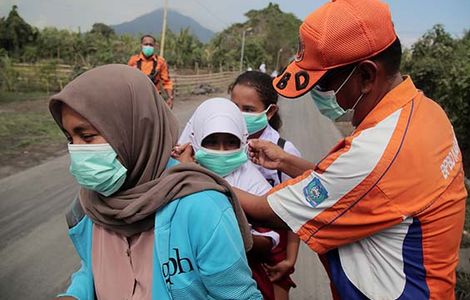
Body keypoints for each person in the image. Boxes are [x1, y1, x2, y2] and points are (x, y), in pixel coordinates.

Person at [234, 0, 467, 299]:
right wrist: (285, 161)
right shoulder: (425, 113)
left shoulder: (377, 151)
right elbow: (363, 191)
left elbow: (270, 212)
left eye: (323, 84)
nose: (319, 96)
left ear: (366, 76)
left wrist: (198, 171)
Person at [50, 65, 262, 300]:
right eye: (70, 138)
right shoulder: (91, 204)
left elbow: (238, 295)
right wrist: (75, 295)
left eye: (87, 136)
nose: (76, 150)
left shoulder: (202, 206)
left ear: (133, 129)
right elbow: (94, 268)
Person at [176, 98, 279, 300]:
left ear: (243, 139)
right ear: (196, 139)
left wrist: (227, 237)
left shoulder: (252, 180)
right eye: (212, 142)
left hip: (245, 279)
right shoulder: (178, 175)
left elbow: (270, 239)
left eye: (231, 142)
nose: (221, 151)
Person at [229, 71, 301, 300]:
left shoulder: (284, 152)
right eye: (234, 107)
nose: (239, 115)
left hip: (273, 249)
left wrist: (289, 260)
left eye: (248, 109)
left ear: (269, 112)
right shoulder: (223, 143)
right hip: (235, 241)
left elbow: (295, 212)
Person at [128, 34, 174, 109]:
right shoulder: (133, 61)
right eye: (146, 44)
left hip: (154, 99)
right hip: (136, 98)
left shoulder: (160, 61)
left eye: (150, 45)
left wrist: (170, 98)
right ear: (141, 45)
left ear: (154, 46)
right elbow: (127, 80)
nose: (148, 47)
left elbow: (167, 81)